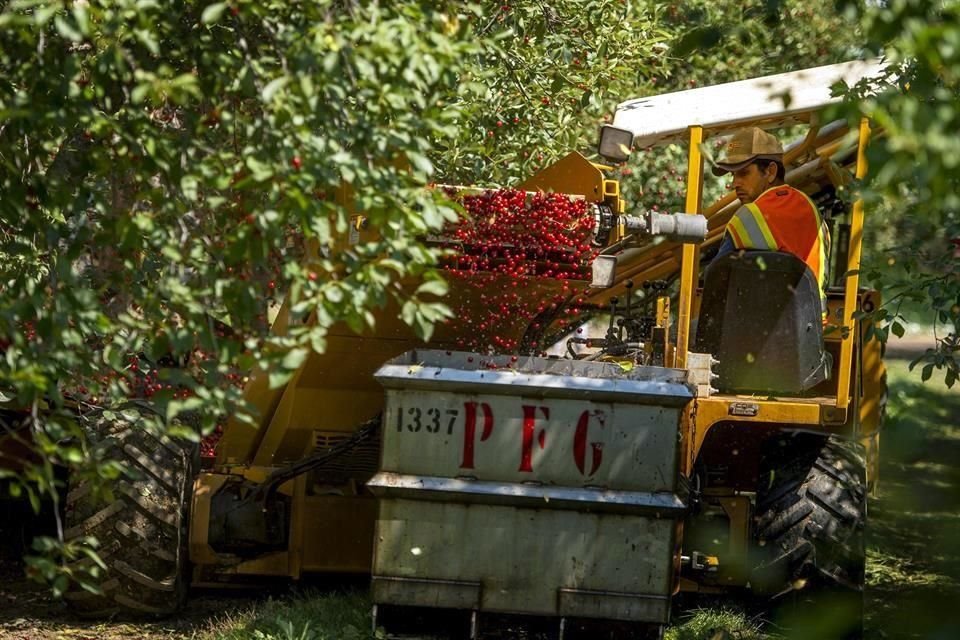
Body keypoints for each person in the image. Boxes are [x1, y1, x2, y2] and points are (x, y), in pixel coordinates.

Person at [710, 127, 829, 306]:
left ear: (770, 172)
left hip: (763, 327)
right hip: (813, 327)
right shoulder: (812, 209)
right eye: (733, 175)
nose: (734, 183)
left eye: (743, 173)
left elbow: (715, 278)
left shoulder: (750, 215)